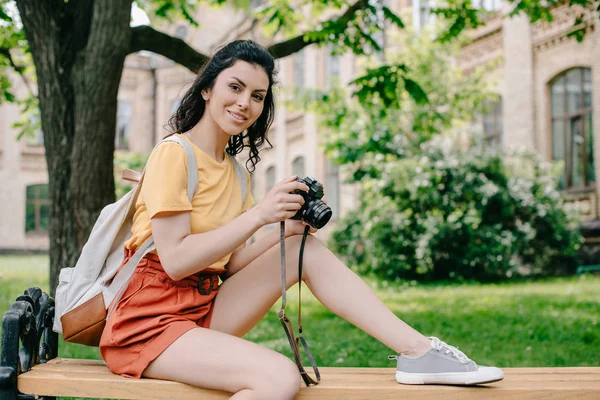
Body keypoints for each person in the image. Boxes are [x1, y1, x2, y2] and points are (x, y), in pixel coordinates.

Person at [99, 40, 504, 399]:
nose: (245, 103)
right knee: (278, 377)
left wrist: (285, 229)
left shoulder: (237, 173)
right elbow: (175, 260)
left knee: (302, 248)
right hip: (148, 320)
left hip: (202, 306)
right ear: (207, 89)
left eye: (257, 96)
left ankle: (420, 354)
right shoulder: (174, 154)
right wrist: (260, 215)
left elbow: (232, 263)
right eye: (235, 87)